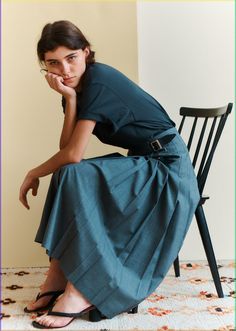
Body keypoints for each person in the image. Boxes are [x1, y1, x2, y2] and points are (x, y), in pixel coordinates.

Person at [19, 20, 200, 329]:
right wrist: (70, 99)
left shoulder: (98, 80)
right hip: (145, 162)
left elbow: (73, 154)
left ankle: (80, 290)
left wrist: (33, 173)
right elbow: (67, 150)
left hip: (168, 169)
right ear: (45, 66)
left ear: (86, 53)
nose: (64, 69)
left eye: (71, 57)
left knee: (73, 174)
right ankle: (58, 276)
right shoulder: (77, 88)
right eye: (53, 63)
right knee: (68, 175)